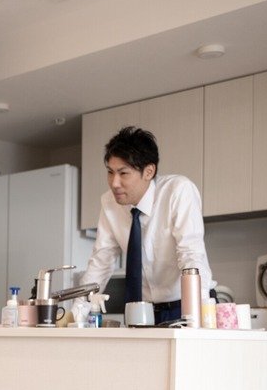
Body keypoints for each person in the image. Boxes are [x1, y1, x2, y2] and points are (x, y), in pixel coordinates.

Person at [73, 126, 215, 324]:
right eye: (110, 172)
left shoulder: (178, 191)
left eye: (123, 173)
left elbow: (191, 255)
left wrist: (198, 316)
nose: (114, 183)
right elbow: (101, 261)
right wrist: (76, 313)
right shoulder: (109, 203)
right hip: (141, 310)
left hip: (186, 305)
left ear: (149, 171)